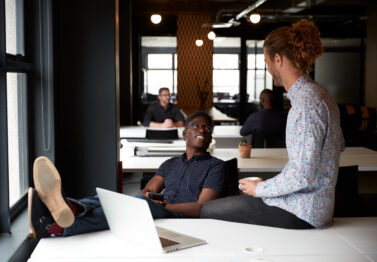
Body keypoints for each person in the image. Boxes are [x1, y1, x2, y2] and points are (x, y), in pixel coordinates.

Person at [201, 19, 345, 229]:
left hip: (300, 211)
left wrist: (260, 189)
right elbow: (336, 146)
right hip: (315, 206)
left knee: (208, 210)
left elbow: (302, 174)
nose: (267, 68)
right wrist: (268, 184)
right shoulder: (321, 95)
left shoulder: (306, 105)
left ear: (277, 59)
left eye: (267, 61)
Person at [29, 111, 225, 239]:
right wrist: (141, 200)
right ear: (184, 133)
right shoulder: (170, 163)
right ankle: (60, 220)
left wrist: (160, 205)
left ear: (210, 137)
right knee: (119, 199)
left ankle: (72, 208)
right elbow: (149, 189)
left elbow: (201, 208)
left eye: (207, 128)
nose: (202, 130)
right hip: (158, 211)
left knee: (139, 203)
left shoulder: (216, 166)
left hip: (181, 218)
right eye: (197, 126)